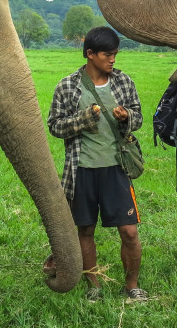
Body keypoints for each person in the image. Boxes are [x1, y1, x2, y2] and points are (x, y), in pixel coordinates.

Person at [47, 26, 147, 302]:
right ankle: (95, 286)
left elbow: (138, 117)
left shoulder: (123, 82)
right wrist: (84, 120)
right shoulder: (68, 86)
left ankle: (132, 285)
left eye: (115, 54)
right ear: (90, 54)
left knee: (128, 231)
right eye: (107, 54)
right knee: (86, 230)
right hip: (81, 171)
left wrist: (126, 116)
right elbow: (54, 126)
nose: (113, 59)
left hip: (117, 168)